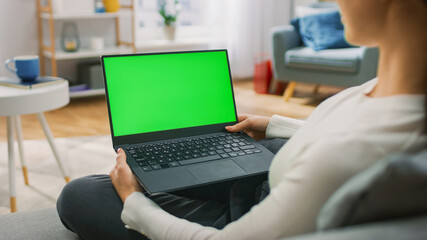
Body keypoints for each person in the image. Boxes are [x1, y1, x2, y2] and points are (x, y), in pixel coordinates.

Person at [57, 0, 427, 239]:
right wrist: (273, 124)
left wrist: (134, 202)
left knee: (81, 194)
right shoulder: (387, 87)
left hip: (251, 216)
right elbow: (344, 130)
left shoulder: (371, 147)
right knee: (188, 155)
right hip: (269, 182)